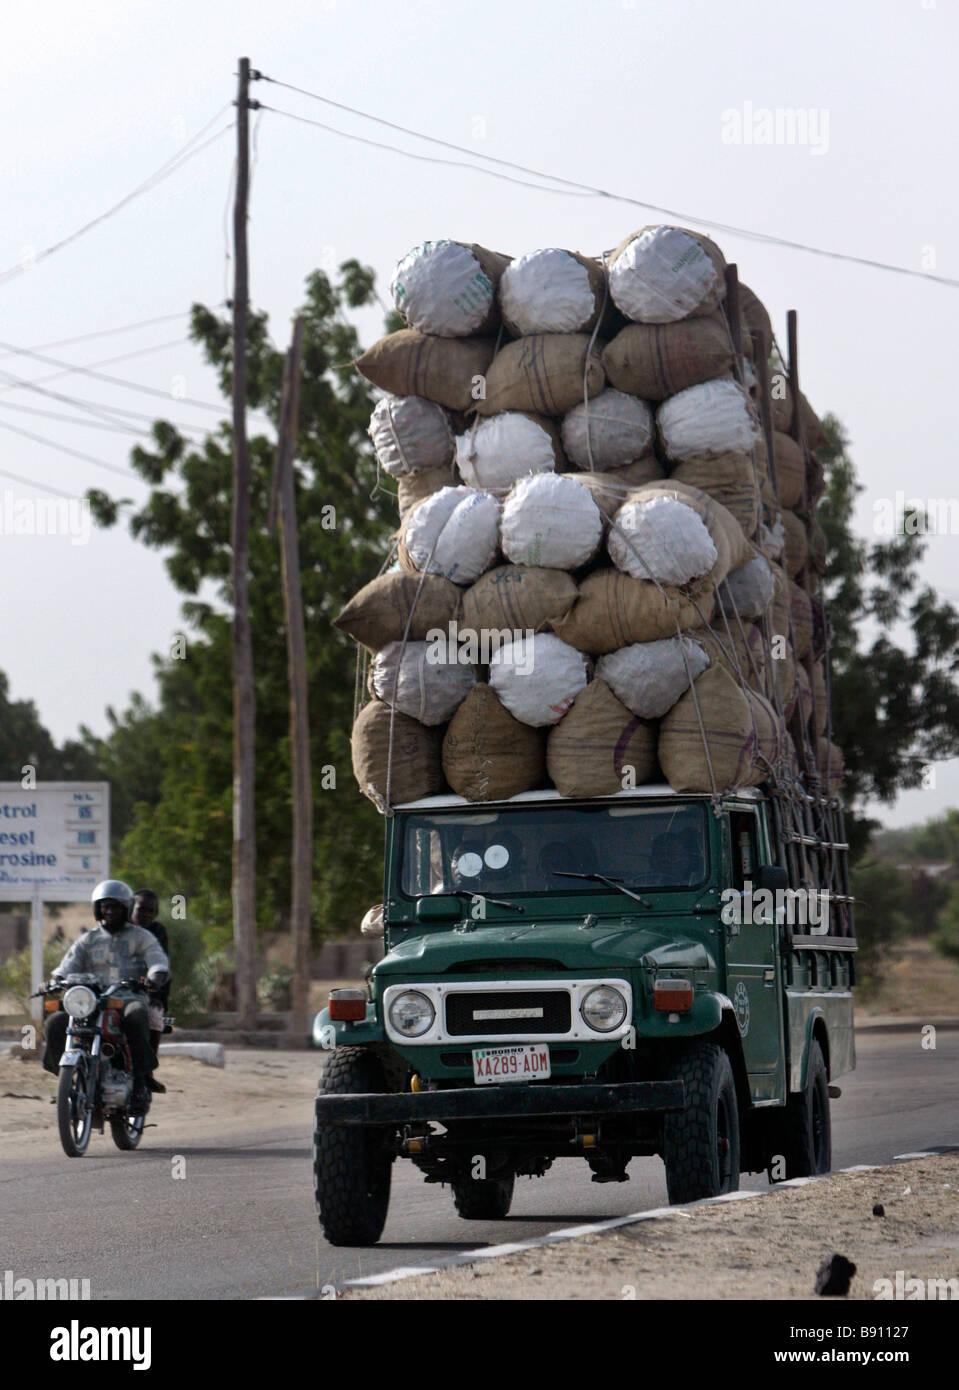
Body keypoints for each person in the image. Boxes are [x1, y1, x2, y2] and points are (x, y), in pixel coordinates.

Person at [42, 879, 170, 1113]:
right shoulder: (88, 939)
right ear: (97, 908)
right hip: (92, 1000)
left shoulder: (142, 937)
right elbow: (67, 965)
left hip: (128, 997)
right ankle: (66, 1082)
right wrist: (56, 980)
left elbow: (158, 961)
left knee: (137, 1015)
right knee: (55, 1022)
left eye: (116, 906)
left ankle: (141, 1080)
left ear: (127, 909)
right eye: (105, 906)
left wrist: (155, 976)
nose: (109, 911)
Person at [130, 889, 170, 1060]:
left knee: (154, 1017)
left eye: (151, 911)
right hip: (116, 985)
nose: (146, 914)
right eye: (141, 909)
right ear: (131, 908)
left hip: (147, 989)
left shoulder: (158, 931)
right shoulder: (120, 928)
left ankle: (149, 1067)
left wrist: (157, 995)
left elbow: (163, 965)